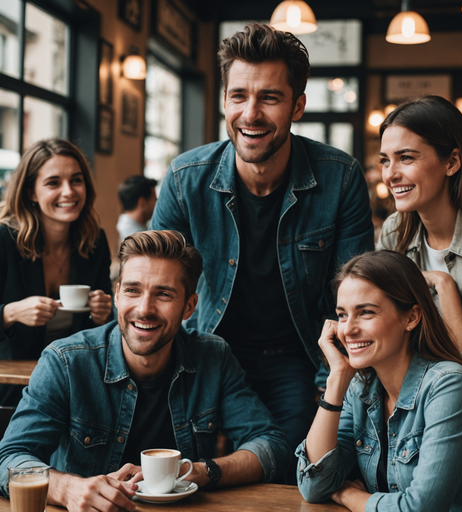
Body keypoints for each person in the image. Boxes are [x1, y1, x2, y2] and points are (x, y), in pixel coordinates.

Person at [151, 23, 374, 480]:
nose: (250, 114)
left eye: (269, 98)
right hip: (203, 354)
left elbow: (355, 295)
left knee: (286, 478)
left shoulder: (340, 177)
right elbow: (153, 281)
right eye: (238, 96)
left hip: (294, 361)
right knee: (174, 479)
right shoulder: (184, 177)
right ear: (224, 100)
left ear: (297, 105)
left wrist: (329, 386)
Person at [0, 230, 290, 512]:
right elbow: (9, 459)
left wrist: (202, 472)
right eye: (132, 290)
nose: (144, 308)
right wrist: (69, 489)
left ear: (189, 306)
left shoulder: (213, 357)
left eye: (163, 294)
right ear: (117, 295)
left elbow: (271, 446)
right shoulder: (65, 362)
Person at [296, 250, 462, 512]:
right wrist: (337, 378)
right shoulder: (359, 388)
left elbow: (419, 508)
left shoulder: (449, 386)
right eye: (342, 315)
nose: (348, 329)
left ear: (411, 317)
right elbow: (314, 486)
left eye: (365, 312)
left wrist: (350, 496)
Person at [376, 95, 462, 443]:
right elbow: (388, 341)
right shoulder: (395, 231)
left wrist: (443, 286)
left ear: (452, 161)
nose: (391, 174)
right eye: (385, 160)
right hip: (415, 424)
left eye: (406, 158)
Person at [0, 138, 112, 406]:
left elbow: (102, 330)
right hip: (11, 386)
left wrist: (105, 312)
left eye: (76, 180)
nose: (68, 192)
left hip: (75, 384)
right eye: (53, 183)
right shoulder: (4, 240)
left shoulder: (94, 242)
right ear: (30, 192)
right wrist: (11, 313)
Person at [116, 175, 158, 241]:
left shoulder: (122, 227)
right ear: (143, 202)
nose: (157, 204)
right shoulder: (137, 239)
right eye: (155, 199)